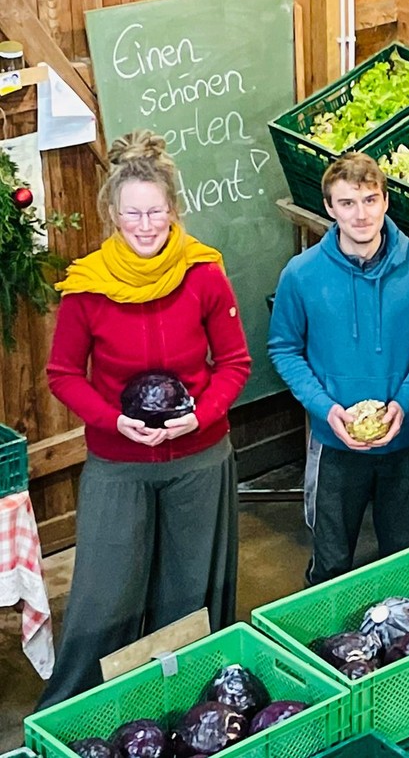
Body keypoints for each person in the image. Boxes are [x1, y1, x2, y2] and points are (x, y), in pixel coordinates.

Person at [38, 130, 251, 708]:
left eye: (156, 211)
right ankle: (77, 712)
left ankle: (188, 709)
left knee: (191, 594)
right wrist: (112, 421)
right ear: (111, 213)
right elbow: (63, 376)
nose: (145, 224)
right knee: (105, 597)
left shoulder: (204, 273)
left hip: (199, 457)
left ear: (174, 210)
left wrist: (200, 417)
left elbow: (234, 363)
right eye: (132, 212)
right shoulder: (87, 288)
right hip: (119, 462)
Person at [268, 152, 409, 585]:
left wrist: (405, 402)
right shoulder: (302, 274)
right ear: (329, 208)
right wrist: (323, 408)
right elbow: (284, 348)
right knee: (329, 566)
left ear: (386, 201)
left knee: (406, 566)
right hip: (334, 446)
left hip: (404, 442)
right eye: (347, 203)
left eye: (370, 200)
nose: (361, 214)